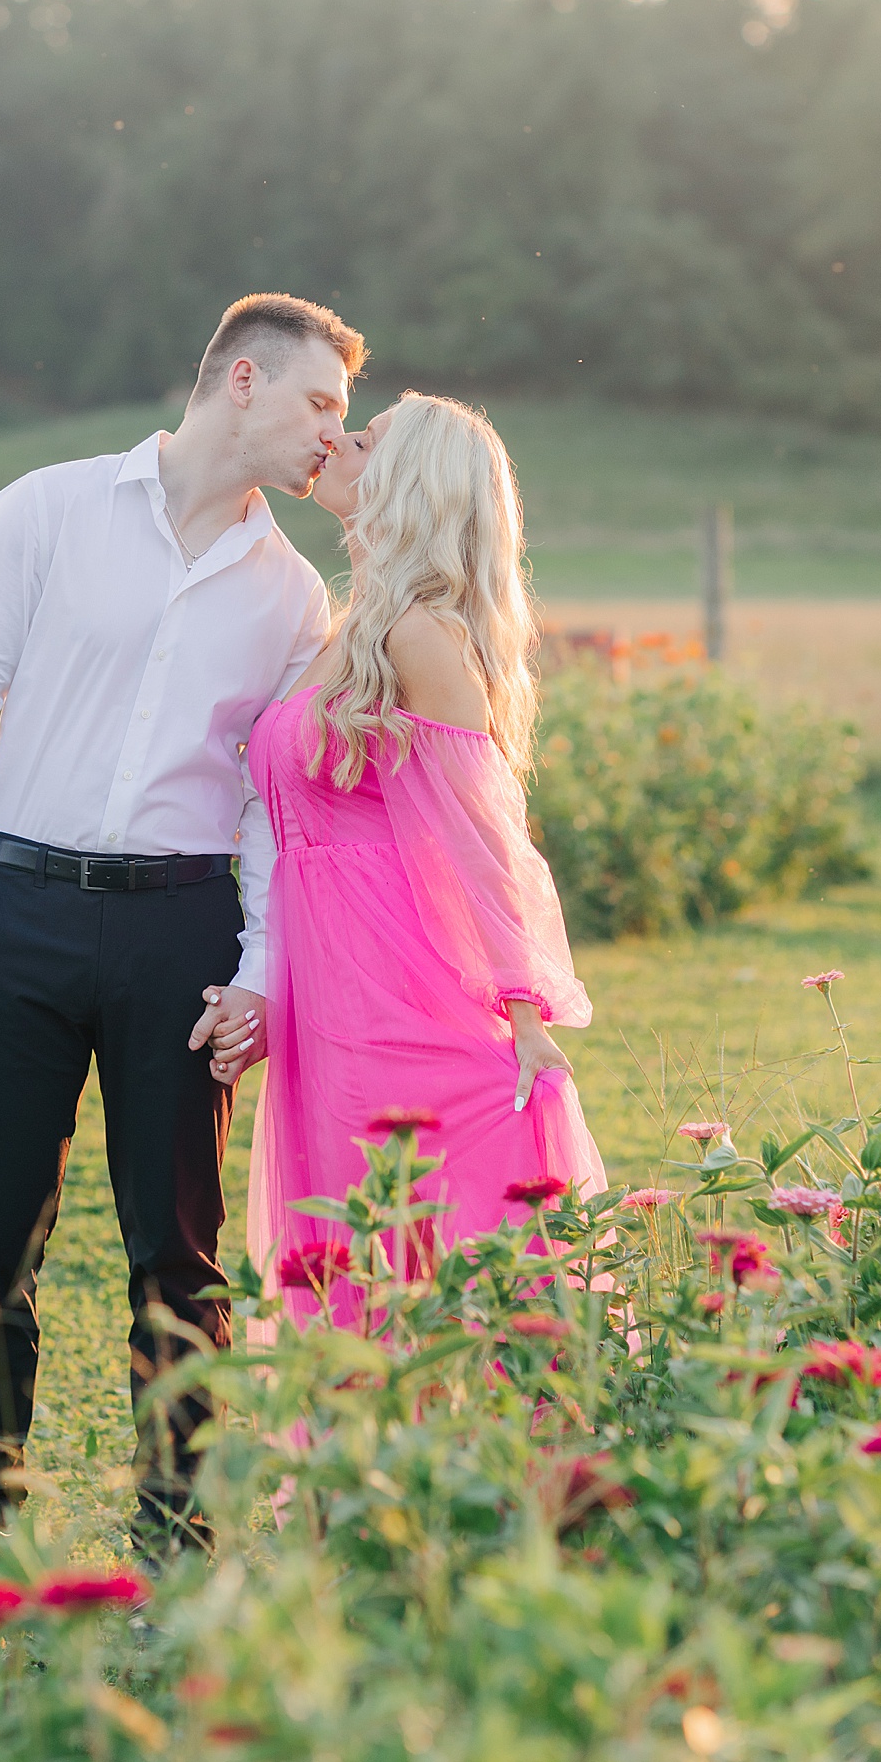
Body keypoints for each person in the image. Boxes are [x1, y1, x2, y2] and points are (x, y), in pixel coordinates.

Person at [0, 292, 365, 1562]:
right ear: (243, 384)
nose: (337, 429)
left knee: (180, 1254)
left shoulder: (293, 596)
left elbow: (271, 811)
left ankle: (178, 1535)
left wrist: (259, 968)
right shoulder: (45, 509)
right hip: (15, 917)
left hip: (180, 936)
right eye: (322, 401)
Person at [201, 394, 606, 1325]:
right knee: (354, 1239)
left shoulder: (420, 634)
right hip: (334, 987)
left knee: (415, 1242)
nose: (340, 441)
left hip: (399, 987)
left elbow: (485, 840)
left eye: (367, 438)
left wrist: (524, 1009)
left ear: (410, 483)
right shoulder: (353, 624)